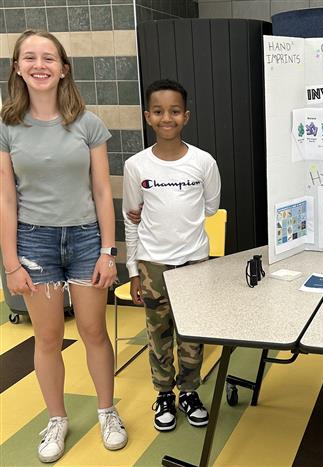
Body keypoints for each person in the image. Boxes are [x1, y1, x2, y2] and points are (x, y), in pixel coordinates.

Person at [0, 30, 127, 463]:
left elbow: (102, 191)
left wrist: (108, 251)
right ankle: (57, 418)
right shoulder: (7, 127)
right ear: (17, 68)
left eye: (48, 58)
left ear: (63, 68)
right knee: (48, 337)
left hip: (86, 238)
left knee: (93, 331)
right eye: (30, 57)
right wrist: (11, 263)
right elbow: (6, 199)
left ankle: (107, 411)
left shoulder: (87, 124)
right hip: (34, 242)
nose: (40, 65)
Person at [123, 79, 221, 432]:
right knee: (158, 335)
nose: (167, 118)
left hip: (194, 263)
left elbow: (211, 207)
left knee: (192, 334)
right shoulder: (136, 166)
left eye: (175, 111)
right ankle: (164, 394)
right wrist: (134, 270)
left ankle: (189, 392)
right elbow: (130, 218)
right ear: (148, 116)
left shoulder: (203, 162)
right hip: (153, 265)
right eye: (159, 111)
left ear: (186, 116)